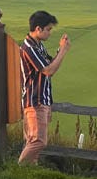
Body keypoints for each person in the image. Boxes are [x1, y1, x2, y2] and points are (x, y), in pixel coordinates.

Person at [18, 10, 71, 165]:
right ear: (38, 29)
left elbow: (49, 68)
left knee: (33, 143)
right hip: (35, 101)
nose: (50, 33)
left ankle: (28, 175)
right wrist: (63, 50)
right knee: (38, 141)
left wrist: (60, 52)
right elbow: (48, 70)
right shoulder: (29, 47)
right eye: (48, 29)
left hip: (42, 100)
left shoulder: (38, 45)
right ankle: (18, 171)